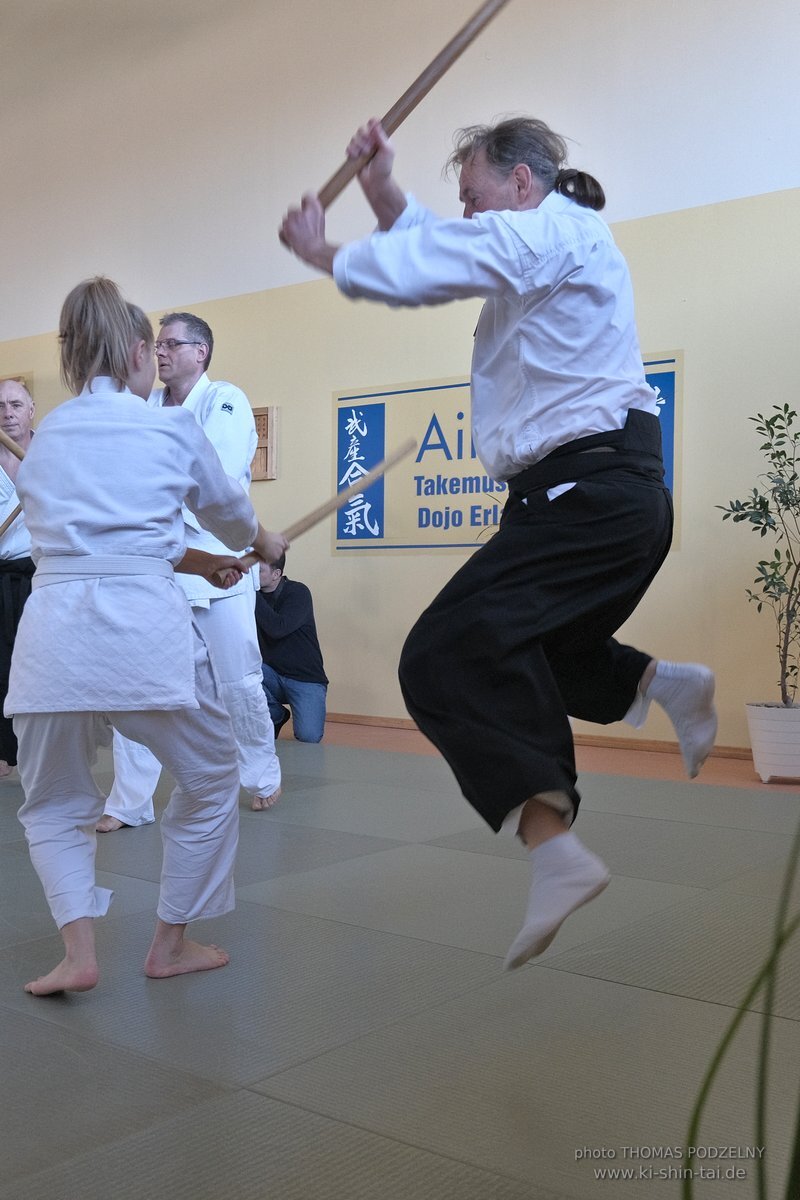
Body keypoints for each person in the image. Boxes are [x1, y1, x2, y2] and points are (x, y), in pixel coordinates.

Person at [280, 116, 717, 969]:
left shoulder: (558, 228)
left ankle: (554, 849)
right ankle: (664, 684)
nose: (472, 218)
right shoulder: (537, 250)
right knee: (530, 652)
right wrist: (383, 195)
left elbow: (445, 261)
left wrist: (327, 254)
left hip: (590, 493)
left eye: (477, 196)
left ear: (524, 183)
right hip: (589, 498)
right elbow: (444, 247)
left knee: (440, 656)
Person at [6, 276, 287, 995]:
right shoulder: (166, 426)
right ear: (136, 351)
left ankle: (78, 954)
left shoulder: (44, 442)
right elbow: (229, 514)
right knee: (213, 773)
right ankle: (169, 944)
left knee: (53, 802)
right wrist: (266, 542)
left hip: (53, 641)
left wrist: (206, 561)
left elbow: (93, 541)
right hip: (142, 634)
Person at [98, 310, 282, 830]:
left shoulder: (225, 400)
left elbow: (213, 482)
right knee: (141, 684)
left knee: (237, 681)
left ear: (201, 351)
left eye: (172, 344)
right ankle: (129, 801)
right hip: (162, 564)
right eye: (156, 345)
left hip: (218, 561)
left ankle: (261, 774)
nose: (159, 353)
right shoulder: (144, 407)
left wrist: (151, 498)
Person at [0, 379, 36, 777]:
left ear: (31, 410)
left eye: (15, 404)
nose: (7, 412)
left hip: (35, 574)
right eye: (0, 405)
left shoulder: (49, 454)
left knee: (33, 665)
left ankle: (35, 751)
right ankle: (1, 750)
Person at [255, 553, 328, 742]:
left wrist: (250, 593)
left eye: (259, 569)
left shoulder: (298, 592)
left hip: (305, 679)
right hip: (271, 674)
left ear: (276, 574)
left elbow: (278, 628)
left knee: (308, 737)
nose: (251, 573)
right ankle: (276, 714)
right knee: (240, 668)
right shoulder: (253, 597)